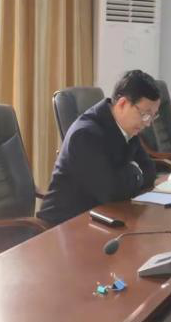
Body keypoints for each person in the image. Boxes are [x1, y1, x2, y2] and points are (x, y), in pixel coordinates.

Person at [38, 70, 160, 225]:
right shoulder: (85, 134)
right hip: (64, 225)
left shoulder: (129, 128)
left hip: (102, 216)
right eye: (145, 114)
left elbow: (150, 171)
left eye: (152, 116)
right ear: (123, 104)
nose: (148, 123)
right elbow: (110, 191)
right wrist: (135, 172)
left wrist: (131, 174)